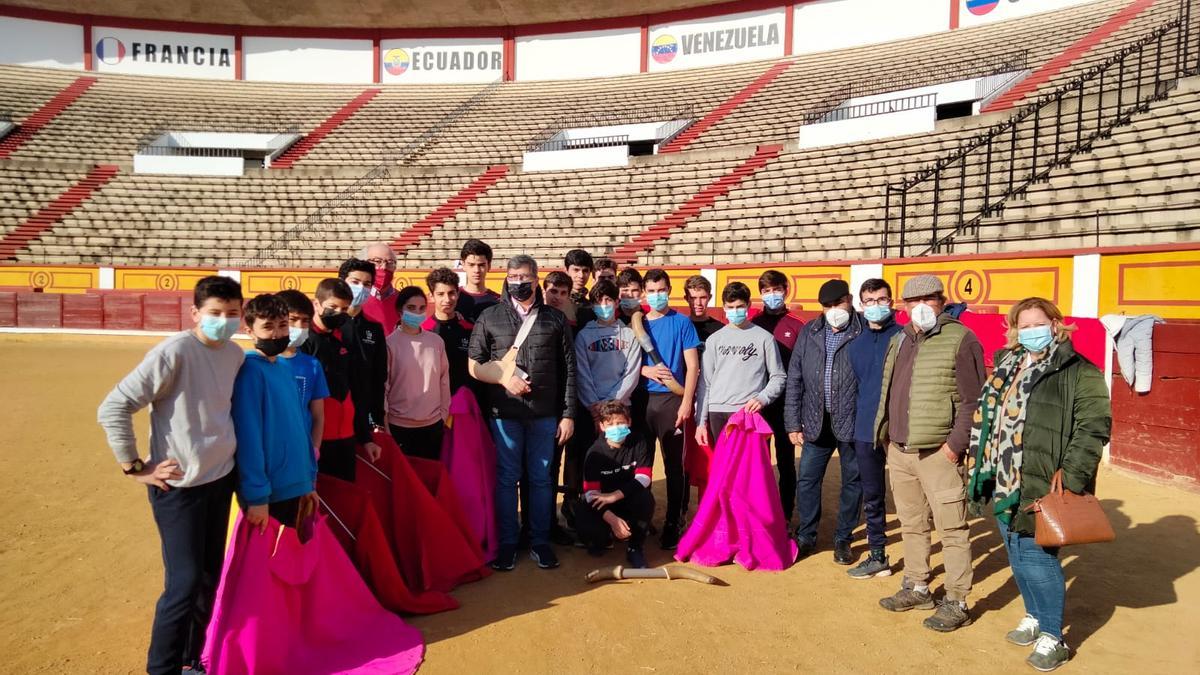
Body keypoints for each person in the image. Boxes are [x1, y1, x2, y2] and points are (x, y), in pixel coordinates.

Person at [97, 276, 244, 675]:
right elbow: (114, 406)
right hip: (177, 486)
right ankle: (161, 669)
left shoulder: (234, 355)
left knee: (209, 577)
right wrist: (134, 467)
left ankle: (191, 659)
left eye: (233, 314)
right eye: (215, 313)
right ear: (195, 313)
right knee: (183, 583)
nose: (224, 321)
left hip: (220, 480)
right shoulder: (174, 351)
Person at [967, 297, 1110, 671]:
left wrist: (1073, 479)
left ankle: (1053, 636)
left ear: (1056, 323)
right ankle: (1034, 616)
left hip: (1044, 481)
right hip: (1003, 477)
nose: (1030, 331)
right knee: (1015, 553)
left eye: (1037, 323)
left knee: (1037, 557)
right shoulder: (1006, 363)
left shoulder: (1080, 370)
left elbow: (1093, 428)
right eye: (1023, 325)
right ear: (1014, 329)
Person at [874, 274, 985, 632]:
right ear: (903, 307)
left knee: (952, 528)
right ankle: (918, 584)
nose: (919, 306)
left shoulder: (962, 338)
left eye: (928, 299)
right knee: (912, 523)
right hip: (901, 449)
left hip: (938, 452)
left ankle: (956, 599)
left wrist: (954, 447)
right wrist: (888, 437)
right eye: (912, 301)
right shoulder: (900, 339)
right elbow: (890, 391)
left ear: (942, 300)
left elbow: (973, 401)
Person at [469, 254, 576, 571]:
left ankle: (540, 542)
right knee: (506, 480)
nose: (519, 282)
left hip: (545, 414)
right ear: (506, 278)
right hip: (505, 413)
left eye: (525, 276)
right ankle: (507, 543)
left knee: (541, 480)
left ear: (535, 278)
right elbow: (474, 363)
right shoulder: (489, 317)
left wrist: (568, 414)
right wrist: (503, 378)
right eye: (513, 276)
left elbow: (570, 370)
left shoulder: (554, 319)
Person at [785, 279, 864, 565]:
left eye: (838, 304)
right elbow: (795, 379)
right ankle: (806, 534)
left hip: (852, 420)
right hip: (815, 420)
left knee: (853, 481)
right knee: (807, 479)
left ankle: (843, 538)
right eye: (827, 306)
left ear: (850, 299)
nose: (833, 310)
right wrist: (793, 423)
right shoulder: (810, 331)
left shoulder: (864, 330)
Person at [231, 294, 319, 532]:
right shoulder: (249, 371)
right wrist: (258, 496)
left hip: (297, 484)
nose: (278, 334)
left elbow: (300, 427)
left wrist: (308, 480)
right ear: (250, 331)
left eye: (282, 325)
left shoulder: (281, 366)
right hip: (272, 491)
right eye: (268, 327)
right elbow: (249, 438)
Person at [569, 279, 643, 528]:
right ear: (592, 305)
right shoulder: (584, 335)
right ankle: (594, 516)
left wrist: (613, 404)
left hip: (620, 409)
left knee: (621, 462)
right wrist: (595, 406)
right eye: (599, 301)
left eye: (608, 301)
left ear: (617, 302)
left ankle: (626, 512)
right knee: (594, 463)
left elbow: (631, 372)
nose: (604, 305)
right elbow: (582, 373)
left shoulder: (629, 334)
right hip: (592, 409)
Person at [638, 269, 700, 549]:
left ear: (669, 289)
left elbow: (692, 367)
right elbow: (626, 363)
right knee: (642, 466)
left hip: (672, 403)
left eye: (661, 290)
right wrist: (644, 369)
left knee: (675, 467)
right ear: (643, 293)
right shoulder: (637, 324)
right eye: (651, 291)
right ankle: (642, 518)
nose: (656, 295)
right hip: (642, 401)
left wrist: (686, 401)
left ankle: (674, 521)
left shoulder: (683, 323)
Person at [845, 279, 902, 580]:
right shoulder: (857, 345)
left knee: (911, 497)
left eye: (881, 299)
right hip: (866, 427)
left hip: (901, 430)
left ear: (891, 302)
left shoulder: (905, 338)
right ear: (861, 305)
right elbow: (856, 389)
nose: (876, 305)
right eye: (869, 301)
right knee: (872, 494)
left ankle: (919, 568)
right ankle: (878, 553)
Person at [302, 279, 381, 481]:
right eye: (332, 307)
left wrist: (365, 437)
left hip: (346, 436)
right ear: (316, 304)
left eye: (344, 308)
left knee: (346, 499)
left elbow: (358, 384)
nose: (339, 312)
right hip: (315, 440)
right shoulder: (304, 339)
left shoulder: (347, 328)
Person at [695, 282, 786, 446]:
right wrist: (701, 423)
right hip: (717, 412)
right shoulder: (714, 339)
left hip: (749, 411)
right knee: (724, 468)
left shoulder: (765, 338)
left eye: (740, 306)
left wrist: (763, 398)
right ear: (723, 307)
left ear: (749, 305)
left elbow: (778, 376)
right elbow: (705, 383)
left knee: (750, 467)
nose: (735, 311)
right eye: (730, 307)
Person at [752, 270, 806, 522]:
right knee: (759, 464)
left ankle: (785, 514)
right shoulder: (753, 323)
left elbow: (803, 370)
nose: (771, 295)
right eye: (766, 291)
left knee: (785, 463)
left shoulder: (797, 325)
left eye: (776, 290)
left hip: (786, 405)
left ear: (786, 289)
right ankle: (760, 512)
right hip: (759, 404)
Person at [577, 401, 654, 569]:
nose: (616, 427)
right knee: (595, 543)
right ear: (602, 426)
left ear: (629, 423)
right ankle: (607, 535)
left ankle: (635, 547)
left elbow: (644, 477)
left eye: (620, 423)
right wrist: (612, 520)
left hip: (624, 497)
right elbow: (590, 494)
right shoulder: (594, 453)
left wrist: (615, 496)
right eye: (610, 424)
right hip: (601, 503)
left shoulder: (639, 441)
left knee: (645, 498)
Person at [385, 285, 451, 460]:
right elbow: (384, 385)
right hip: (398, 426)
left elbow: (444, 381)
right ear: (400, 311)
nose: (417, 312)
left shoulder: (436, 342)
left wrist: (443, 416)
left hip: (432, 426)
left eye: (421, 308)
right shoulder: (389, 344)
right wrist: (385, 424)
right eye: (411, 308)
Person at [337, 258, 389, 437]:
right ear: (342, 283)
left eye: (367, 284)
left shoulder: (374, 328)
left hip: (362, 415)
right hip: (332, 412)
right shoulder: (327, 325)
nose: (361, 288)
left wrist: (378, 419)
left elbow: (378, 377)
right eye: (355, 282)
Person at [276, 289, 330, 449]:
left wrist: (315, 449)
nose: (299, 327)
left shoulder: (312, 365)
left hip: (301, 449)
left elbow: (318, 416)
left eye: (305, 321)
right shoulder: (258, 363)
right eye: (293, 320)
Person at [424, 267, 474, 393]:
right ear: (431, 296)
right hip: (432, 402)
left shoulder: (470, 329)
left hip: (463, 403)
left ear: (457, 294)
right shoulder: (423, 330)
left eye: (451, 293)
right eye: (440, 294)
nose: (447, 299)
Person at [359, 242, 400, 336]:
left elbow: (423, 325)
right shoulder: (354, 297)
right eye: (377, 261)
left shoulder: (402, 298)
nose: (384, 267)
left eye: (390, 262)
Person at [457, 238, 501, 323]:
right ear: (463, 265)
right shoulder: (451, 297)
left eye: (481, 265)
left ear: (489, 266)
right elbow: (433, 322)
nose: (476, 270)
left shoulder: (499, 301)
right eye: (471, 265)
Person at [683, 274, 725, 345]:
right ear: (686, 299)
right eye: (693, 298)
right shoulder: (681, 327)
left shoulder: (720, 329)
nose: (698, 303)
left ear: (710, 297)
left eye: (703, 298)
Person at [564, 248, 594, 323]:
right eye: (576, 270)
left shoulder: (592, 306)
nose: (581, 275)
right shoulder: (556, 301)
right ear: (566, 271)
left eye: (585, 271)